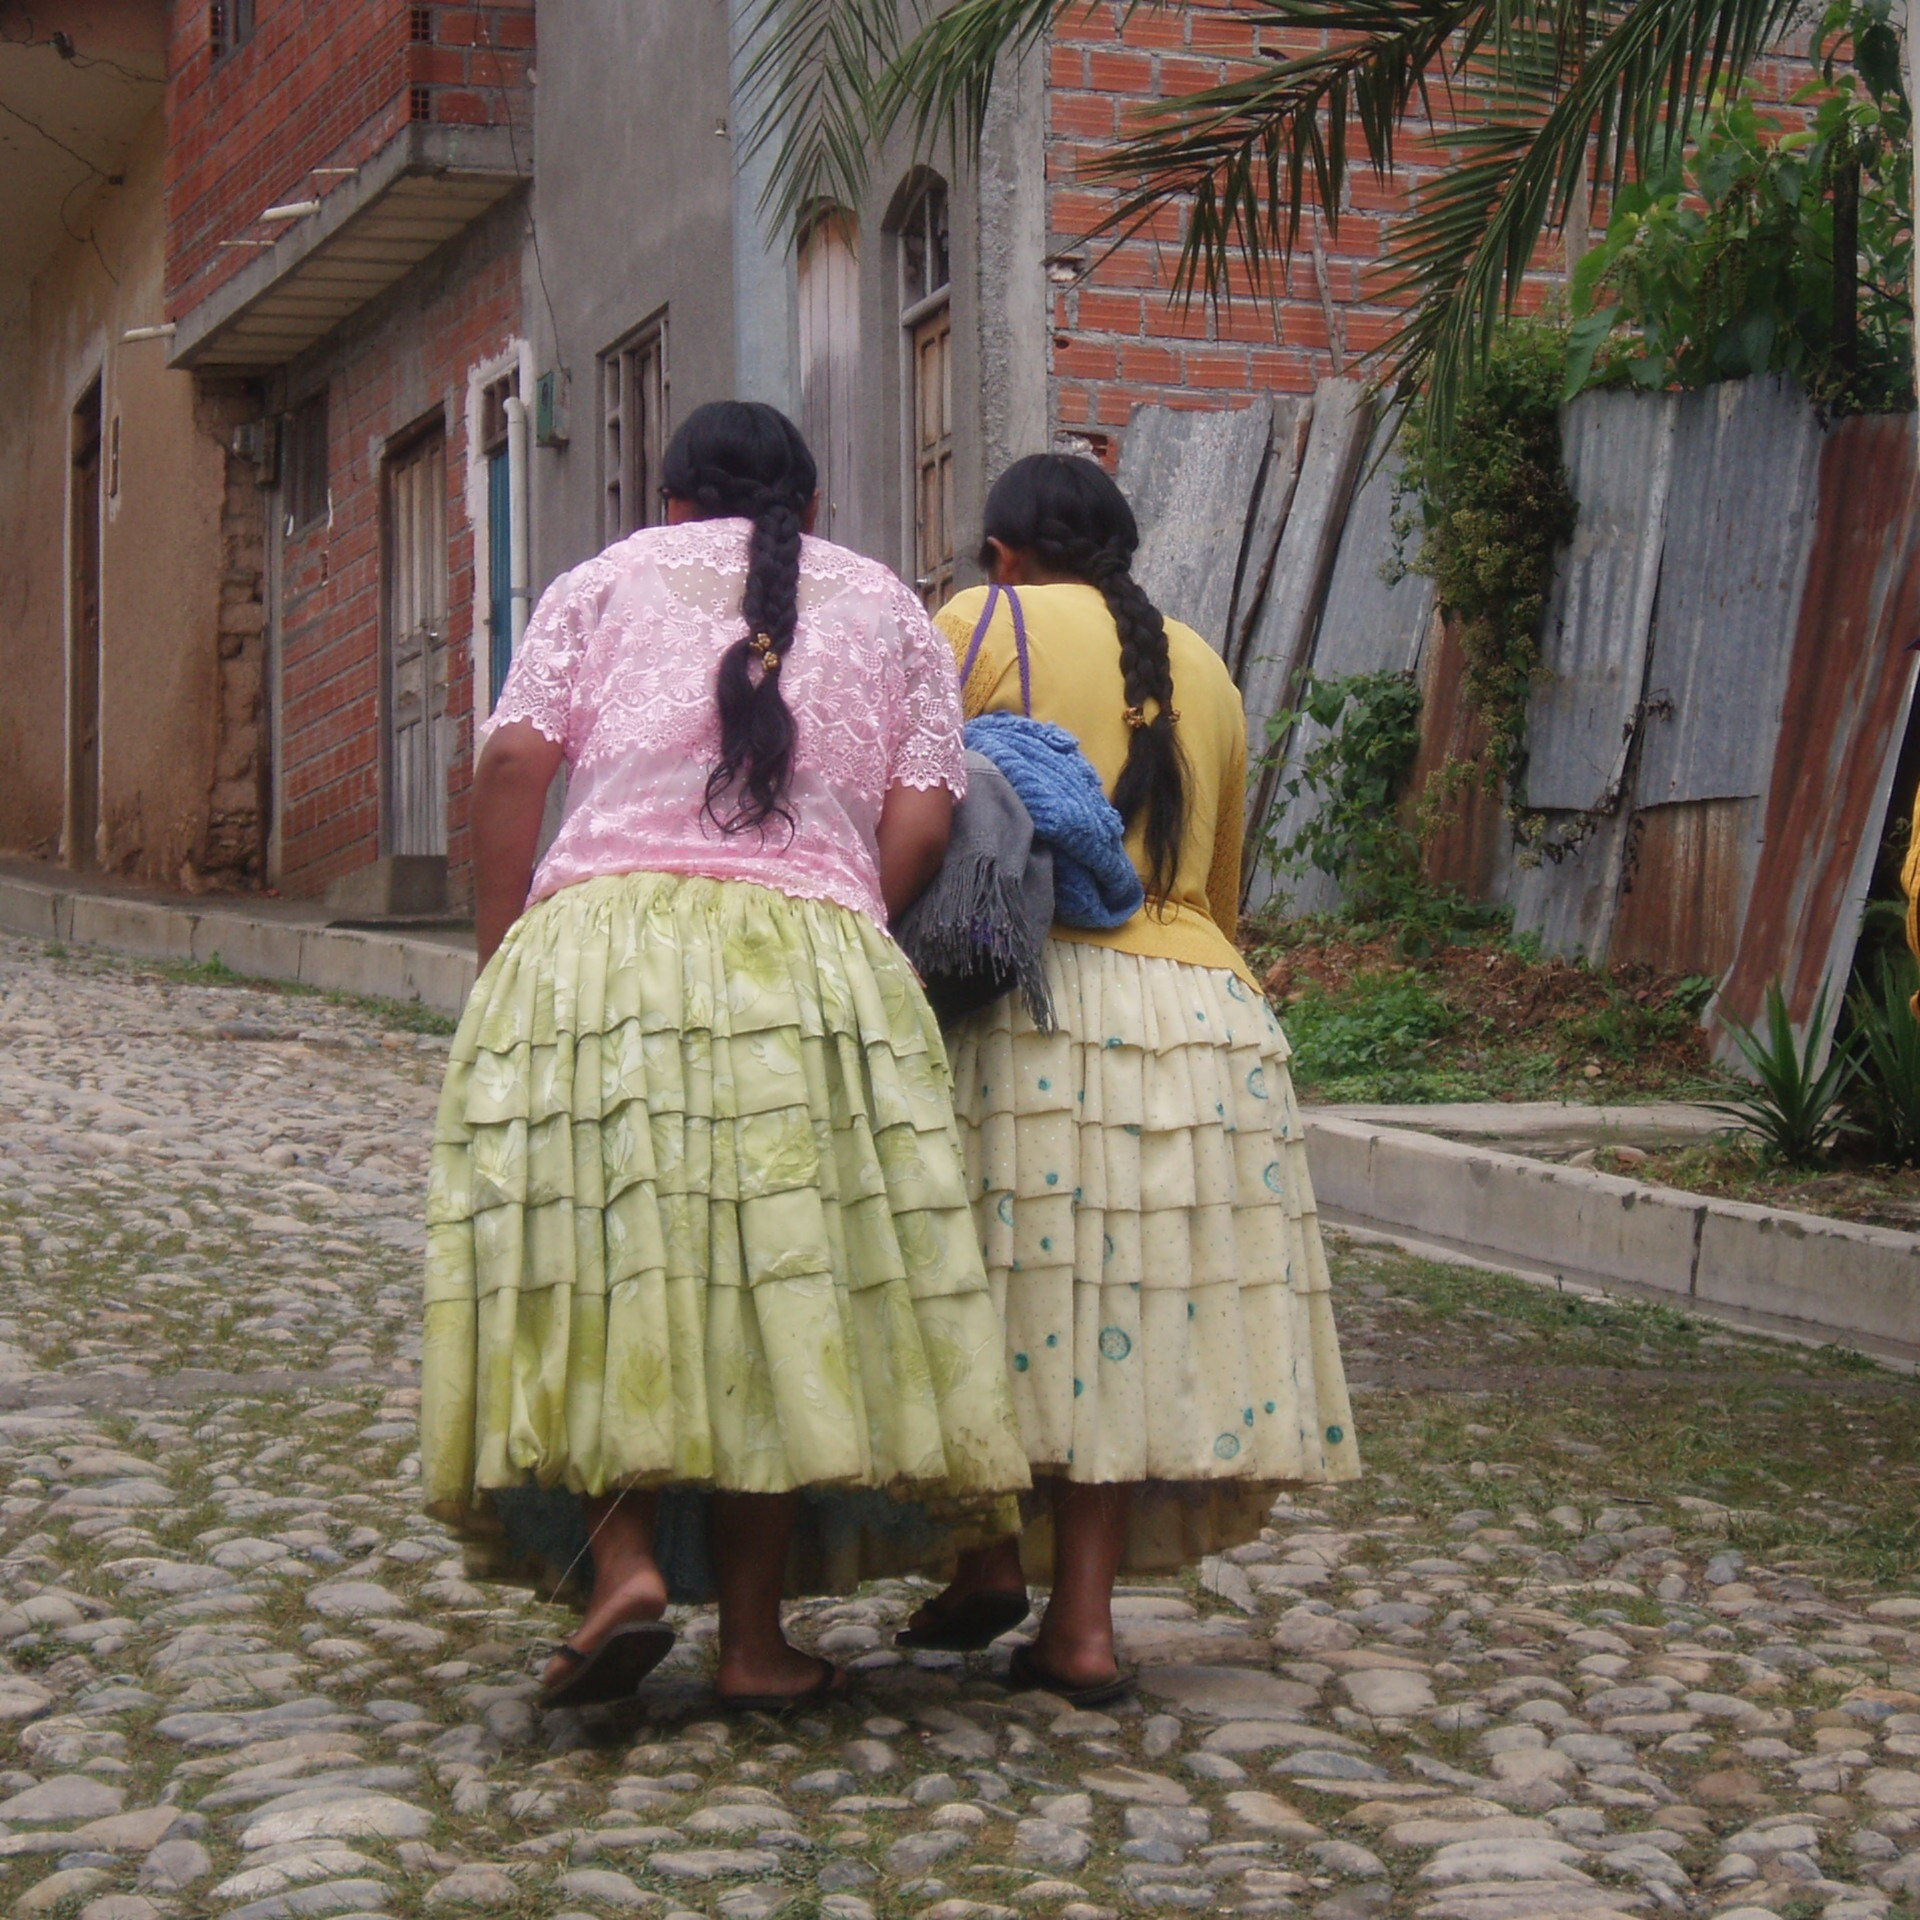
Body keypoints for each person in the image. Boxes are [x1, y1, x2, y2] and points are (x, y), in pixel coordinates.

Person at [419, 401, 1030, 1711]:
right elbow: (926, 819)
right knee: (774, 1285)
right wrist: (837, 906)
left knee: (604, 1260)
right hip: (808, 970)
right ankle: (755, 1644)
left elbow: (515, 760)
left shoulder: (600, 582)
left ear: (672, 501)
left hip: (601, 958)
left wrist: (500, 952)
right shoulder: (891, 610)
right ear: (809, 509)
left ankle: (625, 1564)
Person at [904, 453, 1360, 1704]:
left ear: (1004, 554)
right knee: (1114, 1326)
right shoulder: (1201, 663)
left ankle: (986, 1556)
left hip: (1037, 1002)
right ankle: (1084, 1631)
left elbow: (915, 813)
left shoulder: (973, 624)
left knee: (993, 1292)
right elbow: (1221, 883)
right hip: (1202, 1023)